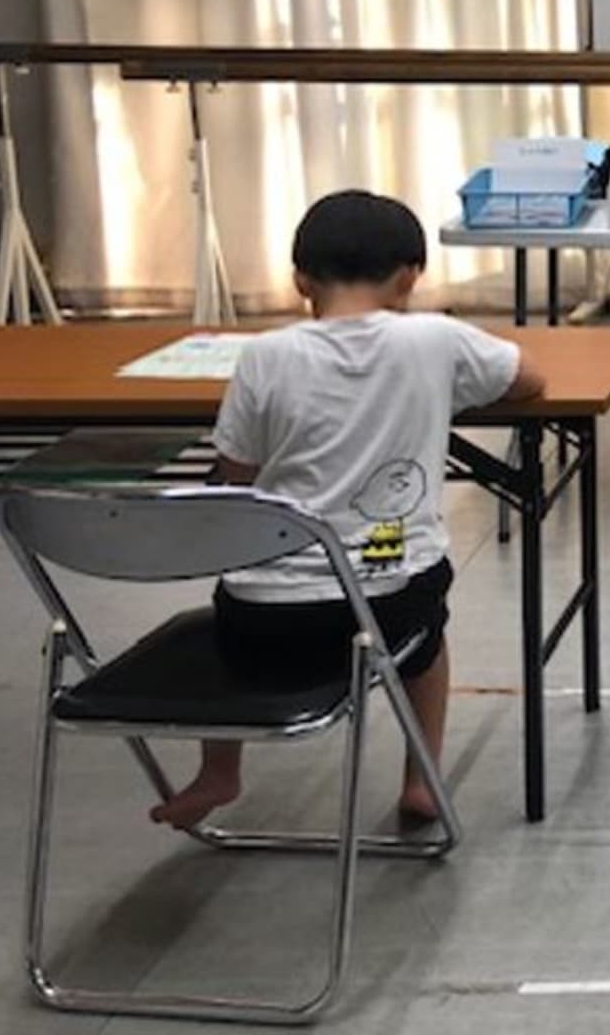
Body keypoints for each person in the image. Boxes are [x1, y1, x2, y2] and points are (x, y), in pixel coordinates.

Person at [150, 190, 544, 830]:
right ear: (410, 277)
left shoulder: (266, 356)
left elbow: (236, 475)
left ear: (300, 280)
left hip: (263, 616)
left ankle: (218, 772)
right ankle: (421, 779)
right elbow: (528, 380)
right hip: (389, 606)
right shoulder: (435, 340)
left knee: (226, 612)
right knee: (428, 639)